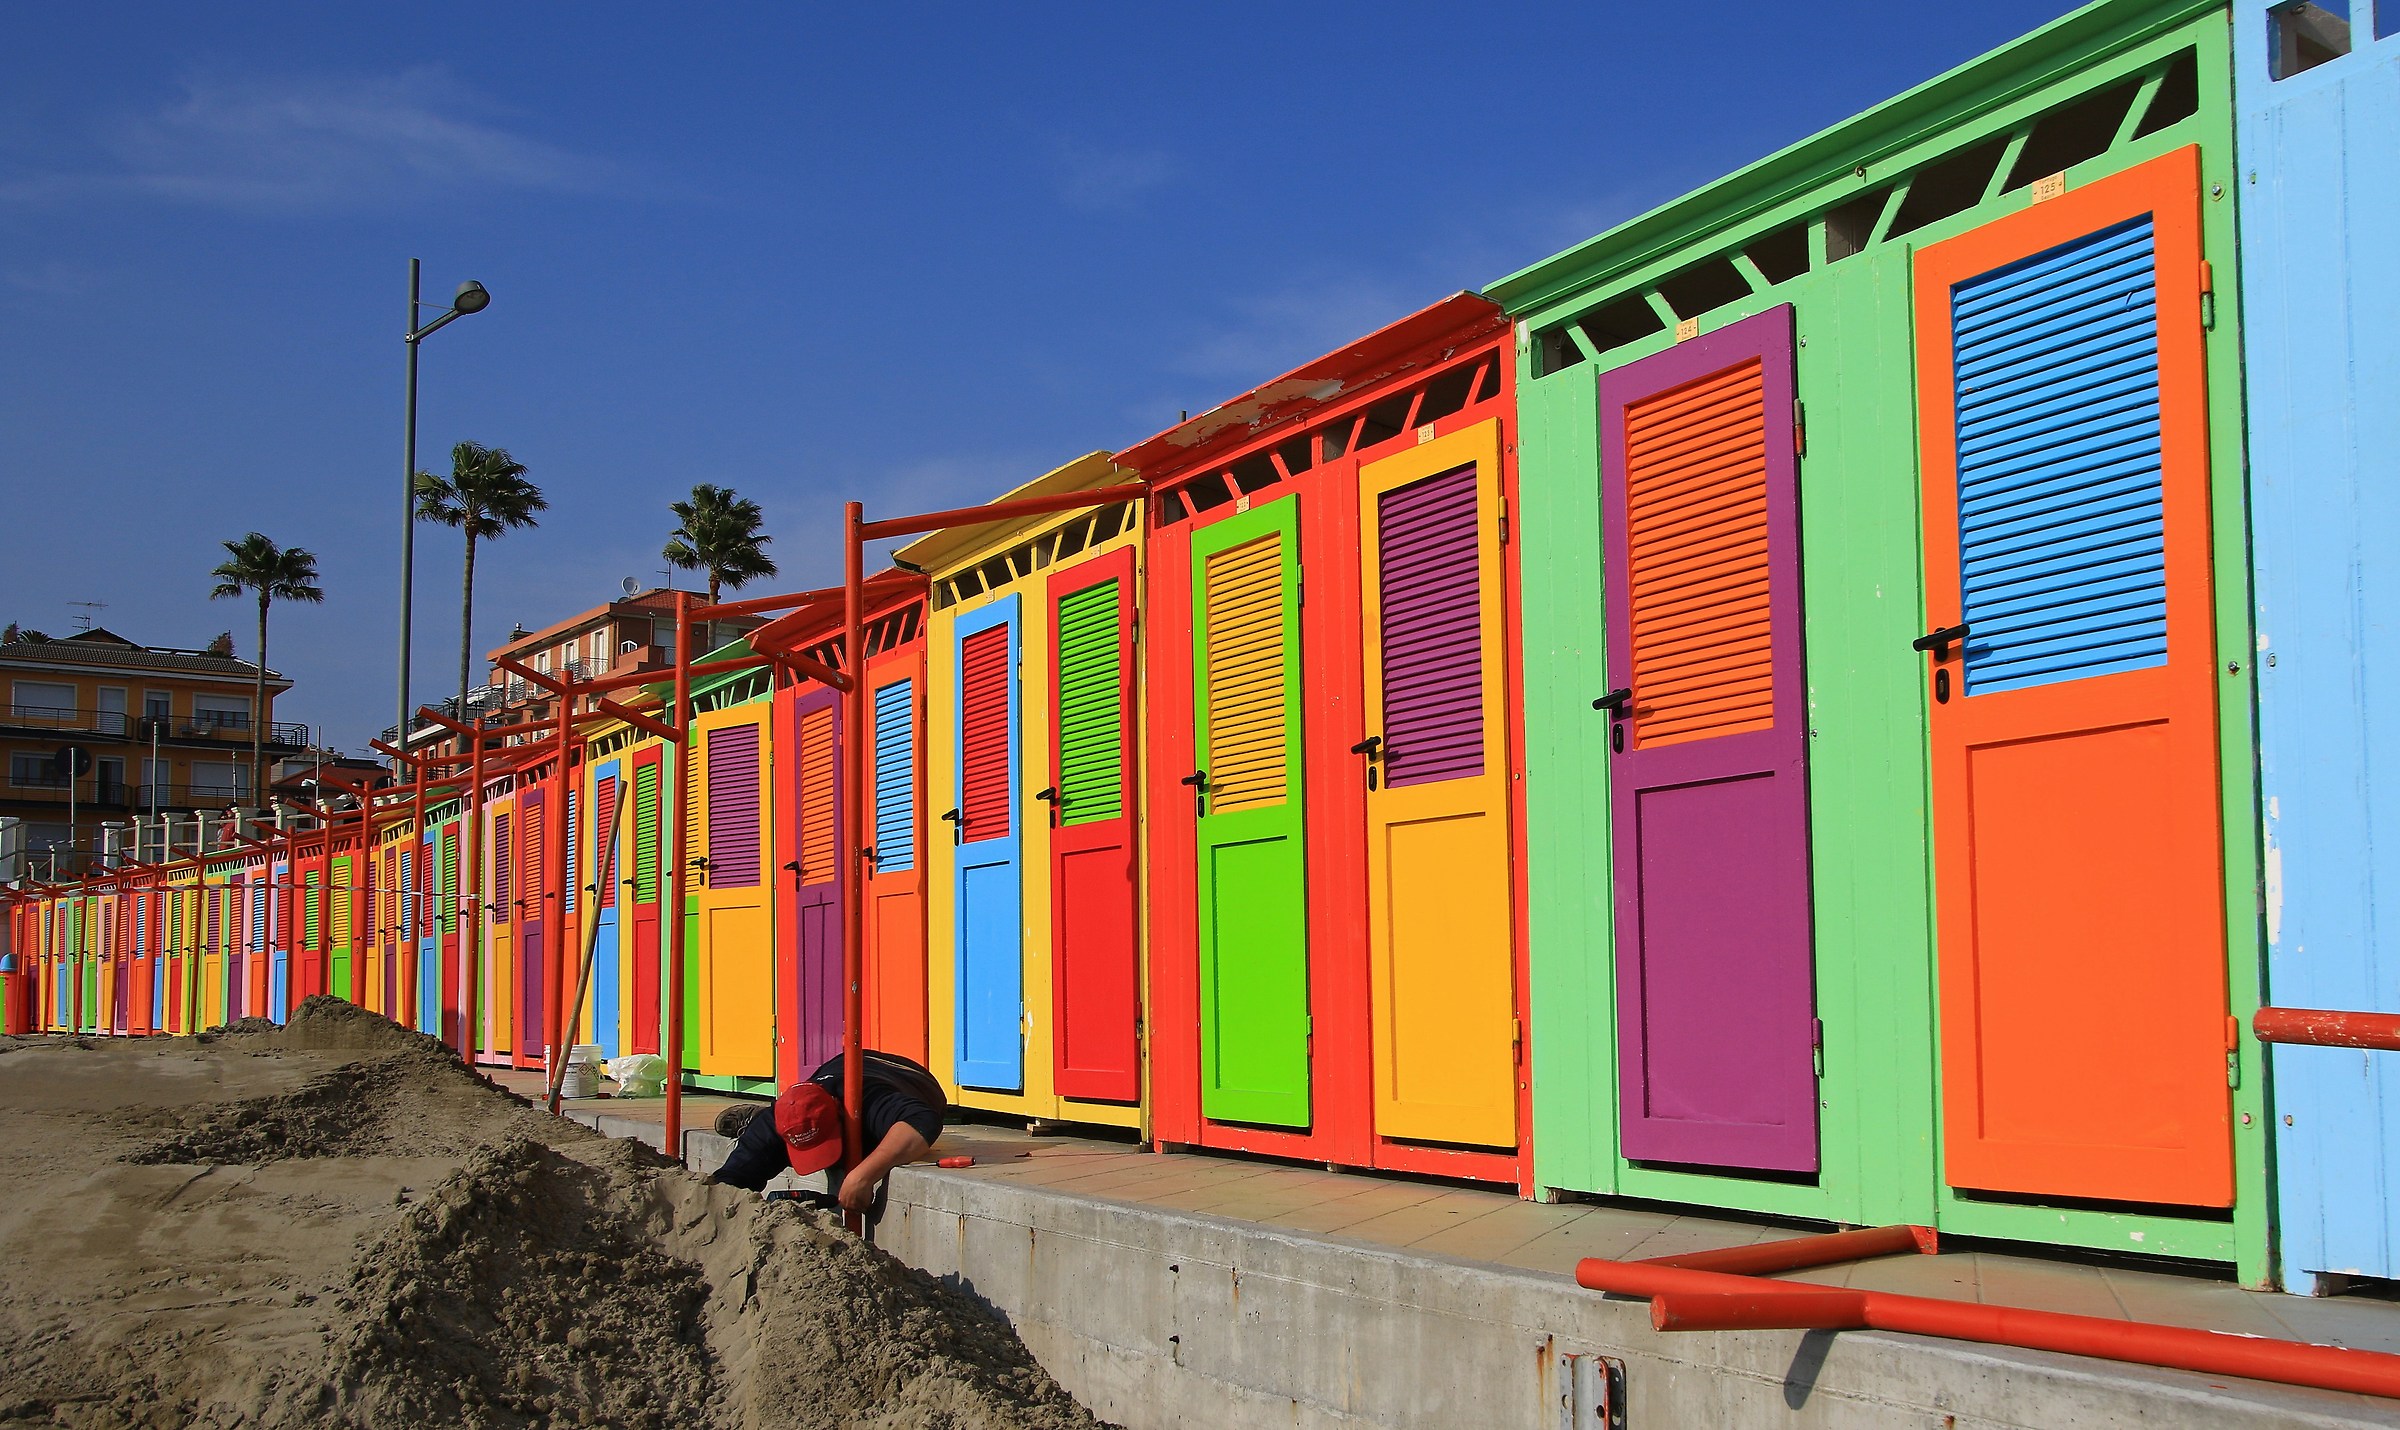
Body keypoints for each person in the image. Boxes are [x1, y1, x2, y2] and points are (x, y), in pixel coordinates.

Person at [706, 1049, 947, 1213]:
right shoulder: (776, 1121)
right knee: (763, 1146)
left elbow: (922, 1120)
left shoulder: (864, 1100)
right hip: (835, 1067)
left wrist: (861, 1177)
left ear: (840, 1113)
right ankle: (752, 1120)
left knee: (868, 1145)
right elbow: (728, 1182)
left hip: (909, 1076)